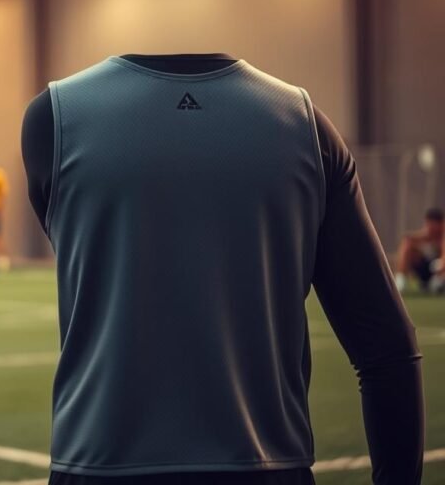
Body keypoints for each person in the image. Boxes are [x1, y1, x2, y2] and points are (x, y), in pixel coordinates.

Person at [22, 53, 424, 485]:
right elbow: (388, 348)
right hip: (267, 468)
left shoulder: (54, 117)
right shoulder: (305, 126)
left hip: (95, 469)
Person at [396, 207, 444, 294]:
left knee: (440, 264)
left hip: (440, 273)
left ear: (441, 224)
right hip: (428, 269)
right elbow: (408, 239)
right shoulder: (427, 234)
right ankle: (400, 281)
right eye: (428, 225)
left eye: (434, 226)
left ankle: (437, 283)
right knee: (407, 245)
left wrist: (439, 274)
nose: (431, 229)